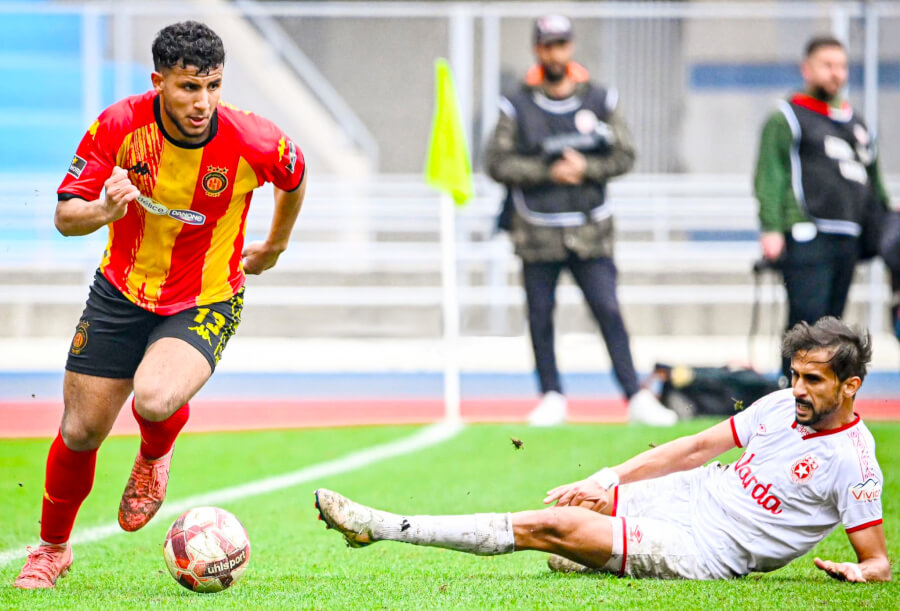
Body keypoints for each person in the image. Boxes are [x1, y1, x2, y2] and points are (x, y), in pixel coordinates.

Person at [14, 21, 307, 589]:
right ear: (158, 82)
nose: (202, 103)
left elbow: (294, 178)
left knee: (153, 398)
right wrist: (105, 210)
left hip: (206, 298)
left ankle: (153, 456)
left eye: (212, 87)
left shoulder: (253, 139)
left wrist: (274, 245)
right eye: (187, 88)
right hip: (121, 291)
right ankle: (51, 551)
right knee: (79, 430)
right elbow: (65, 216)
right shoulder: (119, 126)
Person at [316, 317, 890, 582]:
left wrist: (862, 573)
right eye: (795, 376)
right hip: (694, 492)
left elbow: (879, 561)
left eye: (813, 380)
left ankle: (381, 527)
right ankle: (600, 552)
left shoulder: (854, 462)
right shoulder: (778, 405)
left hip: (709, 548)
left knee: (555, 527)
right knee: (581, 506)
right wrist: (609, 477)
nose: (798, 390)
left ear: (849, 386)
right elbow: (693, 447)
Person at [485, 15, 676, 427]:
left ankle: (634, 395)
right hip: (536, 232)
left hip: (591, 232)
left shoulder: (600, 100)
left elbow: (624, 155)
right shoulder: (515, 104)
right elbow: (497, 162)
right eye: (547, 45)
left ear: (571, 47)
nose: (555, 52)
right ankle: (551, 394)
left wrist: (584, 167)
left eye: (561, 44)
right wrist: (546, 171)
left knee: (608, 310)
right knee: (540, 315)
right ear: (537, 49)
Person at [753, 35, 890, 380]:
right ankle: (790, 403)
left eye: (842, 66)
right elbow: (770, 174)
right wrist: (771, 226)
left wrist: (887, 214)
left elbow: (873, 180)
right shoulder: (788, 117)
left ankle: (823, 411)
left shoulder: (857, 125)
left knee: (833, 331)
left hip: (848, 237)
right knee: (804, 326)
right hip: (807, 232)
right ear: (808, 69)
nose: (836, 74)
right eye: (827, 65)